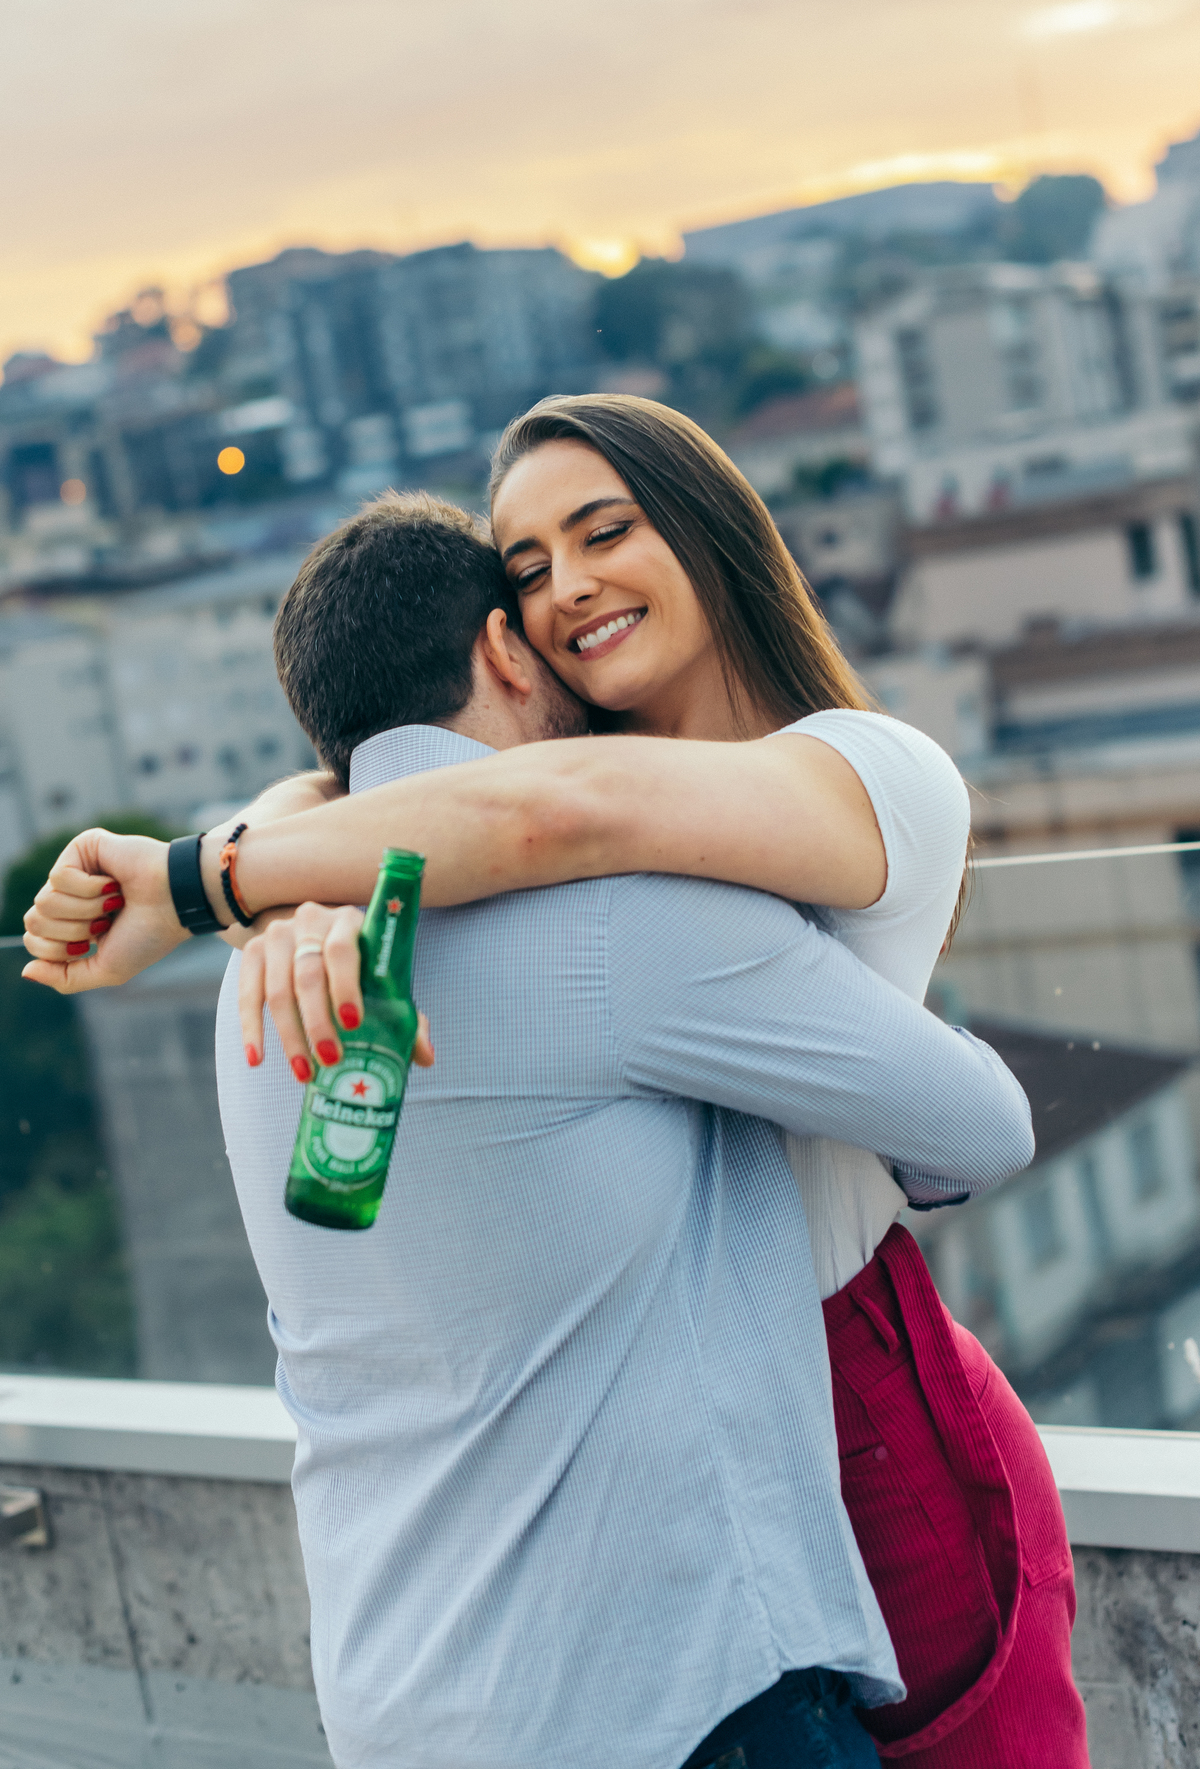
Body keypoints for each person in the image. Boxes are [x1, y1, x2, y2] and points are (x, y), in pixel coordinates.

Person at [23, 394, 1086, 1763]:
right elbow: (499, 822)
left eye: (605, 530)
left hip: (831, 1397)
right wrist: (303, 873)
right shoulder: (476, 899)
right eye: (528, 573)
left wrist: (217, 876)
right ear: (502, 646)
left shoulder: (850, 771)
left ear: (709, 530)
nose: (568, 587)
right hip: (693, 1485)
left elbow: (552, 817)